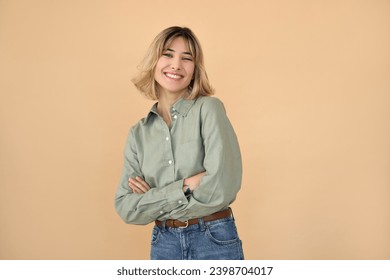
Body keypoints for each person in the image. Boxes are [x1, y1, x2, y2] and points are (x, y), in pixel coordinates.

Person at [114, 26, 244, 260]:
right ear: (154, 62)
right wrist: (186, 185)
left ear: (195, 70)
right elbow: (127, 207)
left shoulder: (209, 109)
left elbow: (222, 185)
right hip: (164, 243)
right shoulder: (138, 134)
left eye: (187, 58)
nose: (176, 65)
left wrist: (153, 198)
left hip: (213, 239)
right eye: (168, 54)